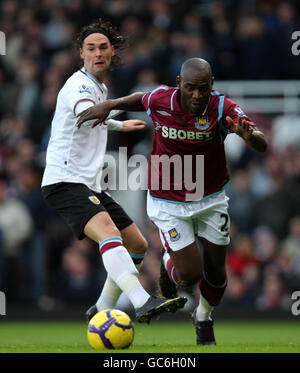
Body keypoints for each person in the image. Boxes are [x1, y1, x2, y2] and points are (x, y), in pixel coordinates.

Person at [76, 57, 268, 345]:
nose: (196, 95)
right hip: (167, 201)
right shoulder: (162, 98)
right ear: (179, 84)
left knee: (216, 271)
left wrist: (250, 136)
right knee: (190, 274)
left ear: (211, 86)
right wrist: (109, 104)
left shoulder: (222, 107)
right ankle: (170, 267)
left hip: (211, 198)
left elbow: (262, 143)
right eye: (190, 88)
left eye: (203, 89)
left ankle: (203, 316)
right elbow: (140, 99)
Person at [41, 19, 186, 324]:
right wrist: (117, 116)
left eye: (103, 47)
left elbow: (91, 115)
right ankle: (141, 301)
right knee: (109, 233)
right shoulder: (79, 85)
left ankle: (101, 306)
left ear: (111, 52)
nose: (97, 53)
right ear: (81, 53)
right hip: (65, 180)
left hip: (88, 183)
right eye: (90, 48)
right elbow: (85, 112)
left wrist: (119, 123)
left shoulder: (100, 87)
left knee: (137, 244)